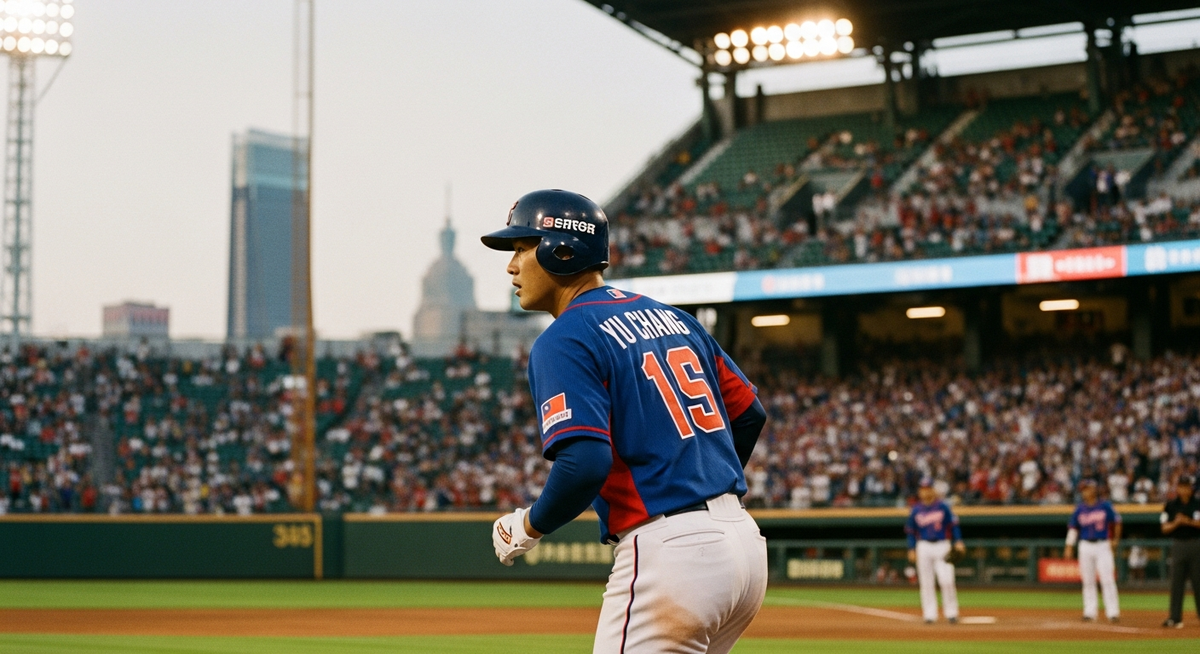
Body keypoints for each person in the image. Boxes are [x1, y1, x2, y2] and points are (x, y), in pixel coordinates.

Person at [482, 189, 769, 653]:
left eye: (522, 248)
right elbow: (749, 415)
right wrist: (699, 484)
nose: (512, 266)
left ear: (561, 250)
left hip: (671, 552)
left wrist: (528, 527)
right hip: (743, 547)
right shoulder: (676, 319)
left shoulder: (565, 337)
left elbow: (584, 463)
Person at [905, 478, 965, 624]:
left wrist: (958, 541)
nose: (924, 491)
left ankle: (951, 612)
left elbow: (954, 525)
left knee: (947, 580)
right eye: (922, 488)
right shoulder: (916, 509)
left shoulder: (943, 506)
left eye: (927, 488)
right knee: (926, 582)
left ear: (932, 489)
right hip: (923, 546)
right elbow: (911, 531)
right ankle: (929, 614)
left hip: (942, 545)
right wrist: (911, 548)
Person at [1063, 479, 1121, 623]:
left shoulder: (1105, 506)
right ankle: (1090, 611)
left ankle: (1112, 612)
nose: (1085, 492)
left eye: (1087, 489)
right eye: (1083, 490)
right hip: (1085, 545)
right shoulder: (1080, 509)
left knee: (1107, 579)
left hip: (1102, 544)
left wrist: (1115, 540)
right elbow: (1073, 528)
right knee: (1088, 580)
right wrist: (1069, 546)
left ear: (1094, 489)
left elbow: (1117, 521)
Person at [1161, 474, 1200, 628]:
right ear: (1177, 488)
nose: (1184, 489)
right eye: (1181, 486)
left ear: (1191, 488)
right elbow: (1164, 528)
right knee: (1176, 582)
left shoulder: (1197, 503)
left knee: (1198, 581)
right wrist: (1177, 523)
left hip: (1196, 544)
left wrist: (1187, 521)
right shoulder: (1171, 505)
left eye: (1187, 486)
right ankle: (1175, 617)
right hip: (1178, 544)